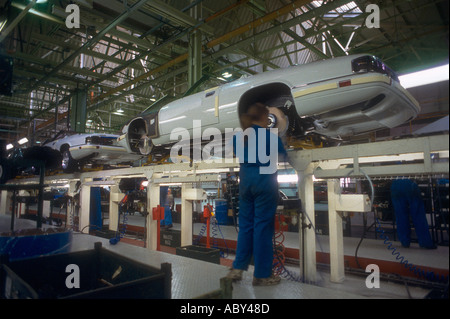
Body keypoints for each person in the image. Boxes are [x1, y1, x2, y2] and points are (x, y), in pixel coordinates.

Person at [226, 102, 287, 286]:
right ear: (264, 118)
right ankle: (261, 274)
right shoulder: (271, 137)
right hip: (264, 185)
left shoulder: (239, 137)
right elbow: (284, 156)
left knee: (246, 226)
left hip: (246, 185)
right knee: (262, 229)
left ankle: (237, 268)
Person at [390, 179, 435, 249]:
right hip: (409, 183)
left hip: (396, 184)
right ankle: (425, 243)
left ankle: (404, 242)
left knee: (401, 216)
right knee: (418, 214)